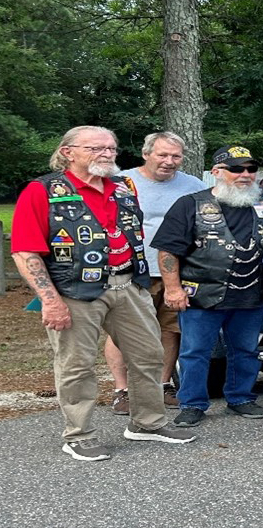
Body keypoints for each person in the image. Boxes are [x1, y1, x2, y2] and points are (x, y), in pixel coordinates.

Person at [11, 126, 196, 461]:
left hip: (128, 284)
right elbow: (25, 252)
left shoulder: (123, 188)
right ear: (68, 152)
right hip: (73, 290)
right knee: (76, 364)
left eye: (111, 148)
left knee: (149, 354)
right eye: (96, 148)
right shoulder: (42, 190)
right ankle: (78, 435)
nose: (107, 154)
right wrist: (51, 301)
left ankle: (147, 423)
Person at [153, 145, 263, 427]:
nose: (245, 175)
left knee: (247, 350)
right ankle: (192, 403)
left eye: (250, 169)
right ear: (216, 172)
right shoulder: (189, 204)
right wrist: (173, 288)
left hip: (251, 292)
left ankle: (241, 398)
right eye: (236, 169)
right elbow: (167, 250)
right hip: (201, 294)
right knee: (195, 352)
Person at [102, 132, 206, 415]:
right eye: (162, 155)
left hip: (176, 272)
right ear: (146, 154)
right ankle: (122, 391)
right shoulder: (119, 183)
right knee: (121, 331)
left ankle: (163, 386)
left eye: (176, 156)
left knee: (170, 330)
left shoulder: (193, 185)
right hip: (129, 270)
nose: (169, 162)